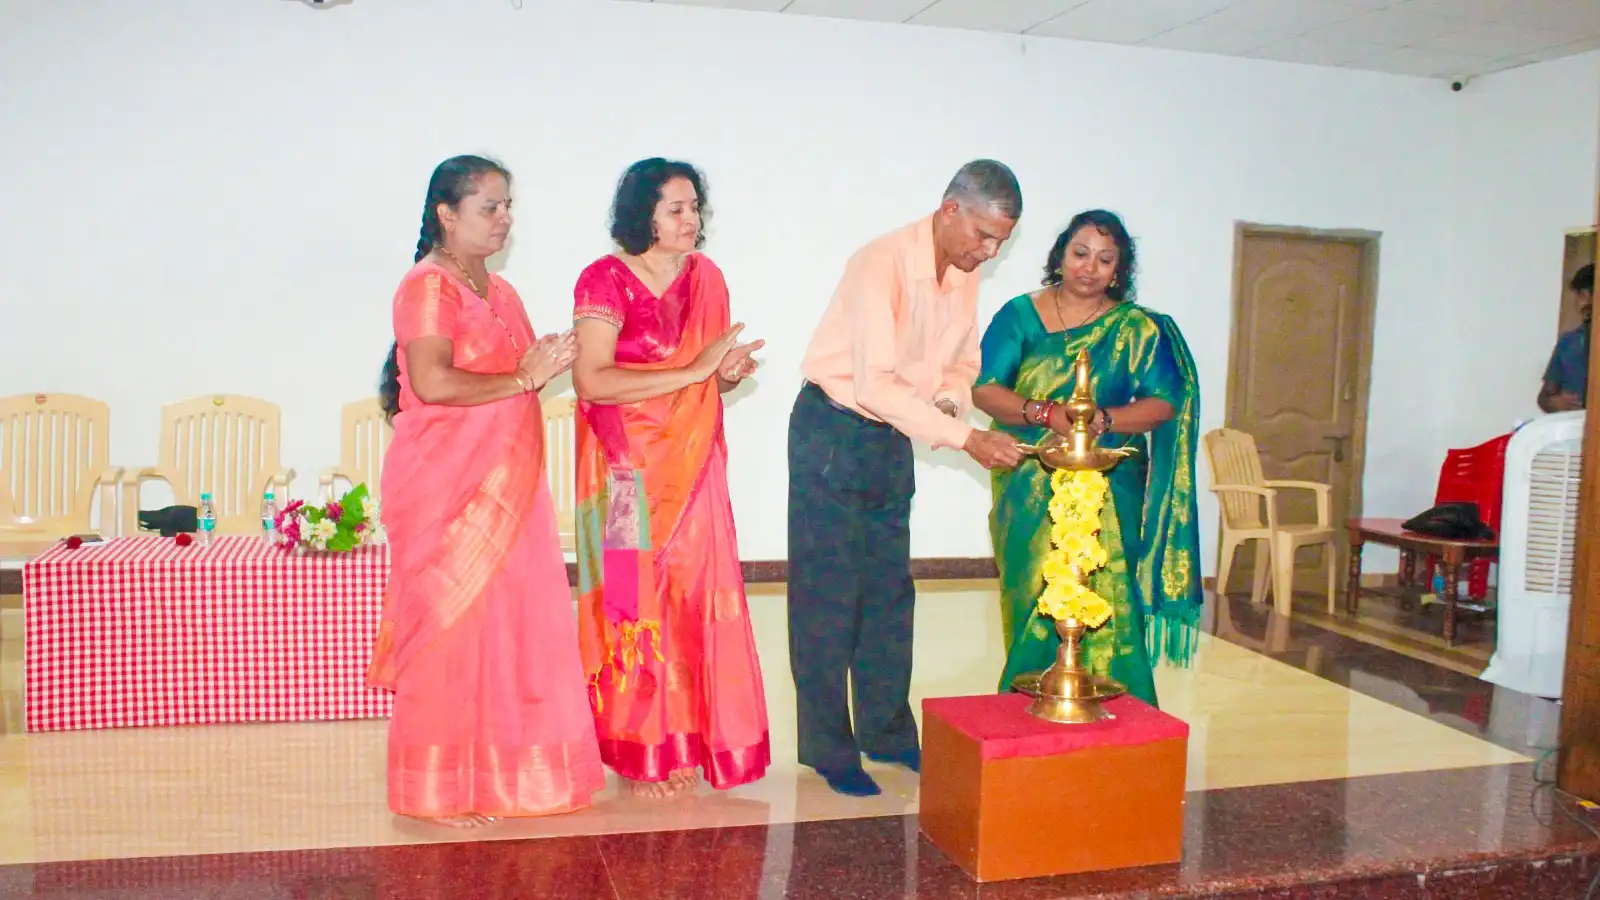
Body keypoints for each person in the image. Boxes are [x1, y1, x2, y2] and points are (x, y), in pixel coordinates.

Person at [368, 155, 605, 827]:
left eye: (508, 207)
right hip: (447, 488)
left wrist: (548, 363)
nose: (504, 220)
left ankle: (510, 777)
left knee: (512, 632)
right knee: (453, 633)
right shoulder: (427, 288)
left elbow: (519, 371)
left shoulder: (501, 293)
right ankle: (438, 790)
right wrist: (523, 380)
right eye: (490, 207)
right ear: (446, 213)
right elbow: (436, 382)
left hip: (511, 485)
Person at [787, 160, 1027, 797]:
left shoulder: (966, 274)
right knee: (829, 597)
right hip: (833, 430)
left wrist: (949, 408)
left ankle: (888, 733)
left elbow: (959, 367)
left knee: (890, 594)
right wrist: (967, 437)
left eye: (1002, 240)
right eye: (982, 234)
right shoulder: (880, 263)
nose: (989, 250)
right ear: (950, 210)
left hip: (895, 432)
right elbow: (874, 383)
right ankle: (828, 749)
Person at [571, 158, 771, 799]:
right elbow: (592, 379)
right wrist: (693, 372)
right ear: (643, 217)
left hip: (693, 467)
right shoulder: (604, 280)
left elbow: (703, 371)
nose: (692, 220)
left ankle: (682, 740)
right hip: (623, 468)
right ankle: (637, 749)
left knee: (693, 599)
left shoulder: (707, 278)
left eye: (695, 208)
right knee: (630, 600)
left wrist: (723, 373)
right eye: (677, 209)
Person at [972, 209, 1204, 708]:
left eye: (1105, 259)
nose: (1090, 267)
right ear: (1060, 256)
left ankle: (1119, 707)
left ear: (1119, 270)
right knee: (1033, 588)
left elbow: (1164, 402)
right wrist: (1044, 412)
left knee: (1111, 588)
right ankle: (1029, 700)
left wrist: (1100, 421)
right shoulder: (1020, 315)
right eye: (1080, 254)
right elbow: (987, 390)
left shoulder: (1138, 329)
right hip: (1031, 480)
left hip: (1111, 480)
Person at [1539, 262, 1593, 412]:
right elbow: (1544, 397)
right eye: (1582, 295)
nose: (1587, 302)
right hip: (1572, 427)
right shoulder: (1568, 341)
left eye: (1592, 294)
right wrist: (1557, 403)